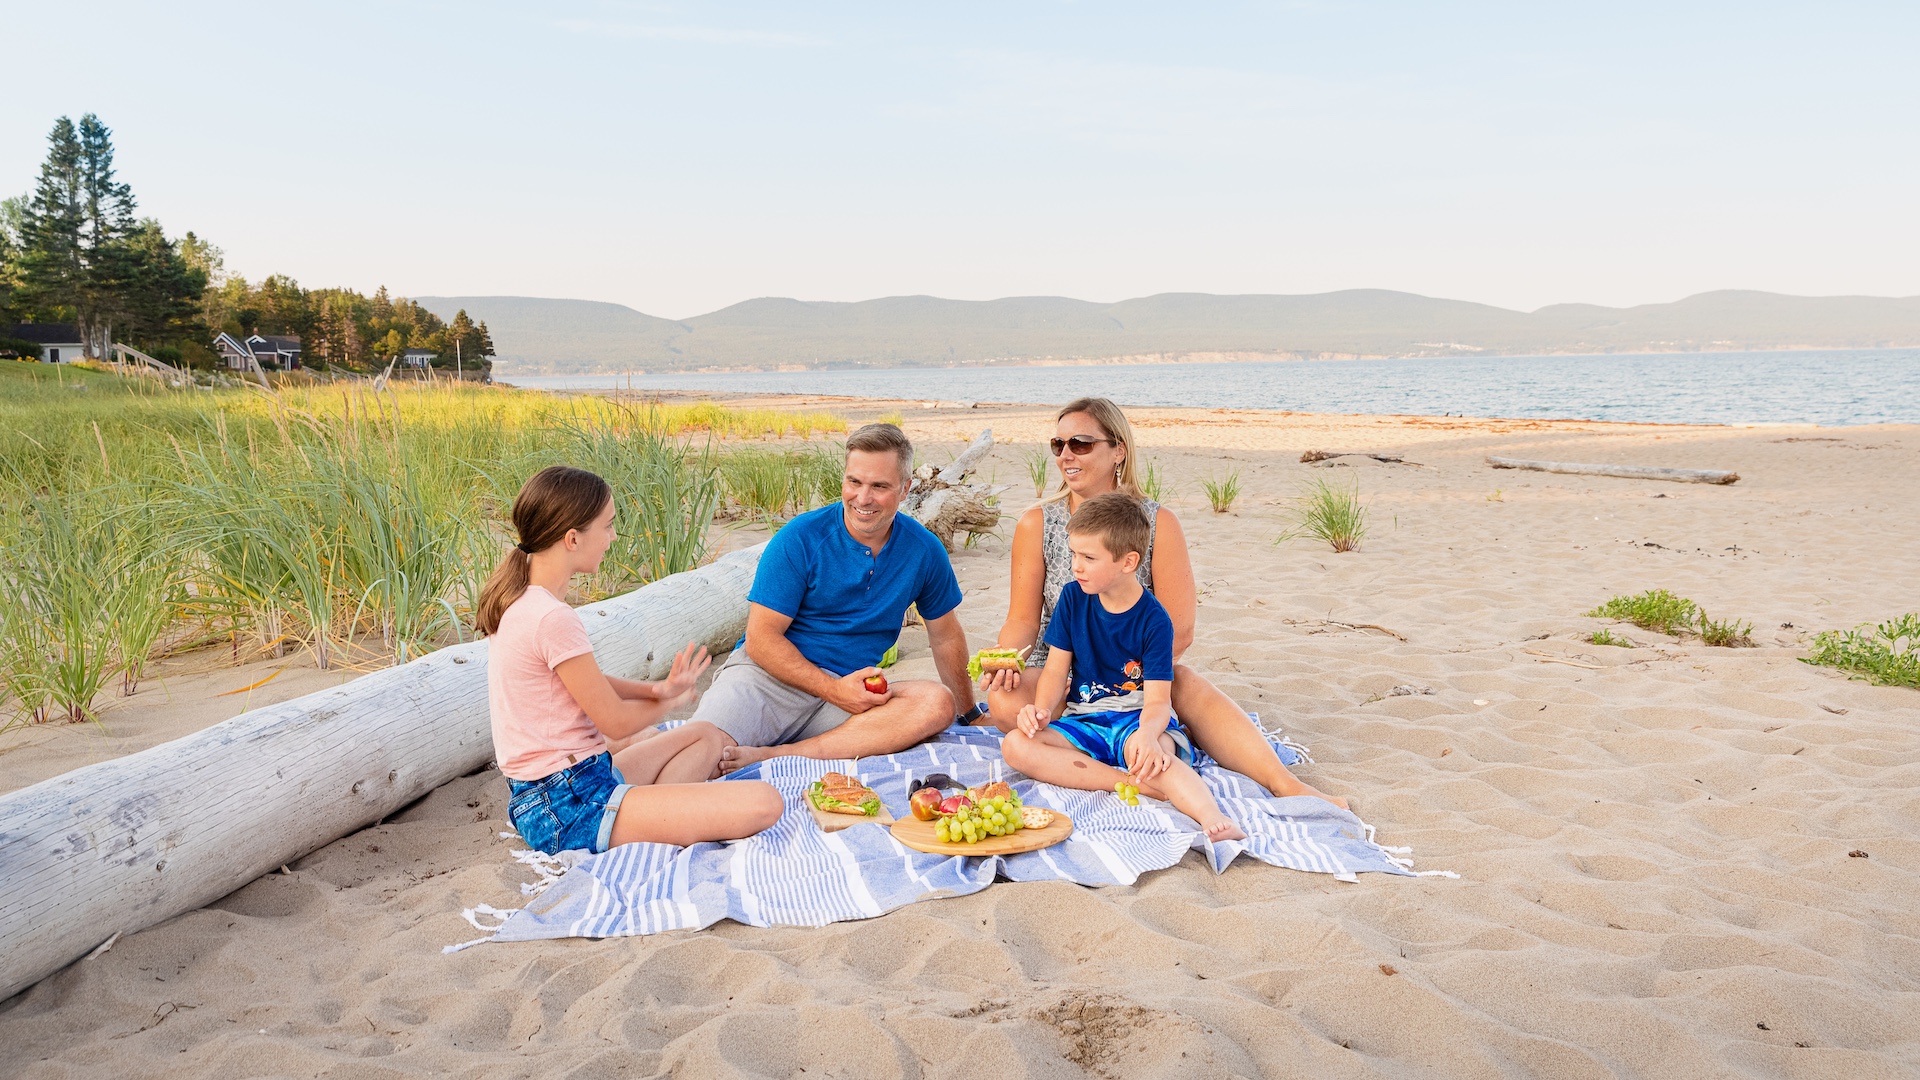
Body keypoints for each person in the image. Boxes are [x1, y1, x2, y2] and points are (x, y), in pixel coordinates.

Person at [980, 397, 1347, 809]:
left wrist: (1129, 679)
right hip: (1060, 670)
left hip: (1137, 666)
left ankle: (1284, 783)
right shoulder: (1037, 523)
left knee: (1184, 682)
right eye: (1058, 444)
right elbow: (1022, 619)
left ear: (1118, 450)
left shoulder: (1158, 523)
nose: (1066, 454)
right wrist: (1006, 658)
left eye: (1080, 443)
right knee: (1003, 701)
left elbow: (1181, 628)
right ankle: (1121, 767)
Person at [478, 465, 783, 855]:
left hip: (576, 781)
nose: (613, 537)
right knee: (764, 803)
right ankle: (655, 815)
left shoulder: (522, 598)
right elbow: (615, 722)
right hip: (566, 805)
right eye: (607, 526)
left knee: (704, 734)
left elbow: (586, 680)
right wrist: (669, 701)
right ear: (572, 538)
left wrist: (656, 688)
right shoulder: (550, 617)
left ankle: (656, 812)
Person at [711, 423, 978, 772]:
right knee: (708, 750)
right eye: (854, 482)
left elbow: (945, 635)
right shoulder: (801, 537)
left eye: (879, 486)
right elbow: (761, 641)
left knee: (936, 704)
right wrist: (834, 689)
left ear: (905, 489)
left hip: (850, 698)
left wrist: (969, 712)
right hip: (766, 681)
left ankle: (781, 756)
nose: (863, 498)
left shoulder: (924, 550)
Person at [1002, 494, 1246, 840]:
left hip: (1136, 718)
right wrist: (1041, 710)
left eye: (1088, 557)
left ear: (1128, 562)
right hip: (1084, 718)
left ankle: (1211, 816)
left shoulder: (1154, 620)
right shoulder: (1072, 599)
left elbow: (1159, 700)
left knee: (1156, 757)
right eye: (1074, 554)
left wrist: (1147, 735)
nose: (1076, 566)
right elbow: (1056, 671)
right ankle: (1127, 783)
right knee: (1015, 744)